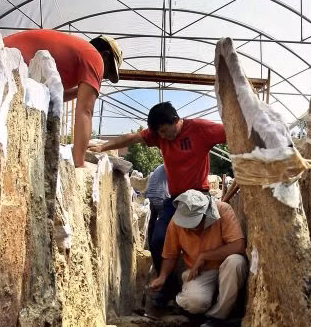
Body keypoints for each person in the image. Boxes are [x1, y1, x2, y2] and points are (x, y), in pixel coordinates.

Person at [89, 102, 227, 303]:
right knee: (157, 240)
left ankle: (209, 289)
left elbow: (233, 133)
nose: (162, 137)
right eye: (158, 133)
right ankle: (167, 288)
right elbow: (132, 138)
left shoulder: (200, 128)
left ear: (175, 120)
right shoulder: (158, 134)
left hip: (199, 197)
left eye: (164, 130)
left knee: (200, 241)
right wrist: (103, 146)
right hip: (176, 199)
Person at [3, 29, 123, 166]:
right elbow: (85, 112)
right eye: (107, 73)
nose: (103, 77)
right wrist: (79, 162)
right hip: (6, 63)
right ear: (105, 56)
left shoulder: (72, 59)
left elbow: (50, 98)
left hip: (5, 64)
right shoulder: (94, 57)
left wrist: (79, 91)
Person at [149, 189, 248, 327]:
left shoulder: (223, 210)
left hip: (225, 267)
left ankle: (217, 318)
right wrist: (162, 277)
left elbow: (238, 245)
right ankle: (195, 310)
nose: (192, 229)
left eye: (195, 223)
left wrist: (204, 256)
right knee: (193, 302)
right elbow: (171, 254)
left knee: (236, 262)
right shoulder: (176, 222)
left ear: (206, 214)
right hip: (200, 273)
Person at [145, 163, 170, 250]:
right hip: (160, 197)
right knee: (165, 223)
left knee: (152, 222)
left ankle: (151, 247)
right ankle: (162, 248)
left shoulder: (159, 167)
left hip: (150, 196)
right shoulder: (169, 166)